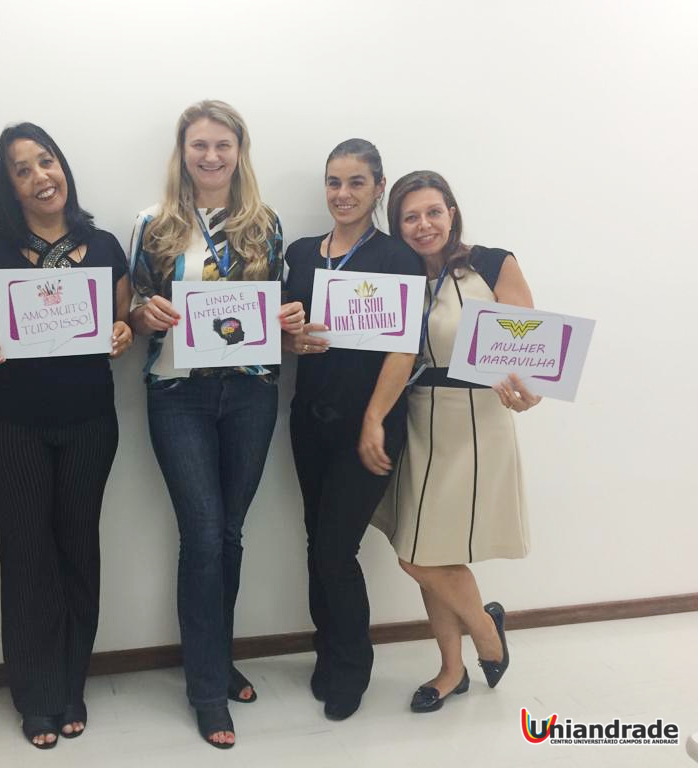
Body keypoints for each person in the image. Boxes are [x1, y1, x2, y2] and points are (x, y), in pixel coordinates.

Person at [128, 100, 305, 748]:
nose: (210, 156)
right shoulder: (153, 223)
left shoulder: (265, 224)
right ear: (183, 152)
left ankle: (218, 658)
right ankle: (206, 688)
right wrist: (144, 315)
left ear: (239, 152)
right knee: (202, 535)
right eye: (199, 145)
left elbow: (278, 304)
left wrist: (288, 318)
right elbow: (133, 305)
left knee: (229, 535)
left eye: (222, 145)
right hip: (179, 394)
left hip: (251, 392)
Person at [0, 122, 132, 750]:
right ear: (9, 186)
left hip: (89, 423)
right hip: (9, 426)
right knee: (27, 556)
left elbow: (122, 321)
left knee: (80, 549)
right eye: (22, 169)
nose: (39, 176)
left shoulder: (103, 244)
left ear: (63, 167)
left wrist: (122, 332)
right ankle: (36, 694)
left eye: (46, 161)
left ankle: (71, 683)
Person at [372, 170, 539, 712]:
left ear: (452, 213)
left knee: (423, 555)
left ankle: (484, 640)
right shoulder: (398, 277)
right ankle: (456, 663)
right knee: (425, 550)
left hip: (477, 424)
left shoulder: (492, 264)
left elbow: (531, 354)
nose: (423, 225)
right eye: (410, 217)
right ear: (397, 225)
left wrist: (529, 392)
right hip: (419, 419)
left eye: (433, 212)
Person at [282, 139, 424, 721]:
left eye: (356, 182)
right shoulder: (301, 253)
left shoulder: (397, 257)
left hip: (369, 427)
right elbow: (287, 329)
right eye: (334, 182)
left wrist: (372, 421)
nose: (343, 194)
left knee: (336, 550)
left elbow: (403, 348)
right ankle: (328, 652)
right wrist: (291, 337)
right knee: (317, 542)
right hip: (309, 420)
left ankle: (351, 666)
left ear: (378, 187)